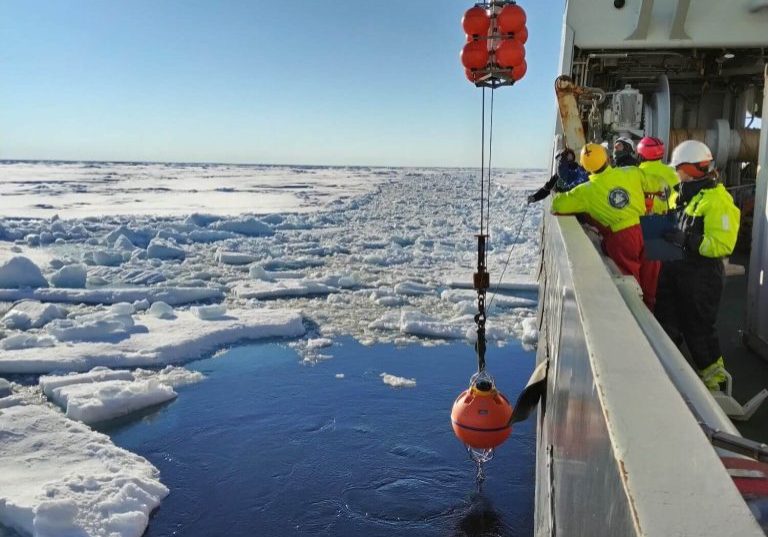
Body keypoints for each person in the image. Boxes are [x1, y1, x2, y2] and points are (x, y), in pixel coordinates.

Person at [654, 140, 740, 390]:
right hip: (674, 271)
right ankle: (666, 378)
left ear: (691, 169)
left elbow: (722, 245)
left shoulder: (717, 200)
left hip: (701, 277)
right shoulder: (680, 194)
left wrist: (687, 240)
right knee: (667, 324)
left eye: (678, 168)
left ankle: (717, 385)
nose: (675, 172)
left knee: (698, 330)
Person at [550, 143, 663, 309]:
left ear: (585, 167)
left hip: (622, 239)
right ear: (608, 159)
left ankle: (637, 311)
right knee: (650, 273)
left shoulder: (585, 191)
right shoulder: (631, 172)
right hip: (647, 229)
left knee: (630, 283)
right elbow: (657, 185)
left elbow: (557, 205)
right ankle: (651, 307)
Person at [637, 136, 680, 214]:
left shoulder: (637, 173)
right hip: (671, 217)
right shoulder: (674, 172)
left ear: (641, 153)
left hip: (645, 218)